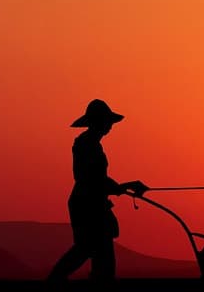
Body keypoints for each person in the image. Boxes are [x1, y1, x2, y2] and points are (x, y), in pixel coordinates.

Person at [48, 99, 146, 282]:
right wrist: (124, 187)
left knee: (91, 250)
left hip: (90, 202)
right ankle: (54, 280)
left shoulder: (89, 143)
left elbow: (97, 179)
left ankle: (56, 279)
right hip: (88, 205)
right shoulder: (87, 145)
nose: (110, 126)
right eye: (106, 121)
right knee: (90, 250)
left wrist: (123, 186)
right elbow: (91, 178)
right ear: (99, 122)